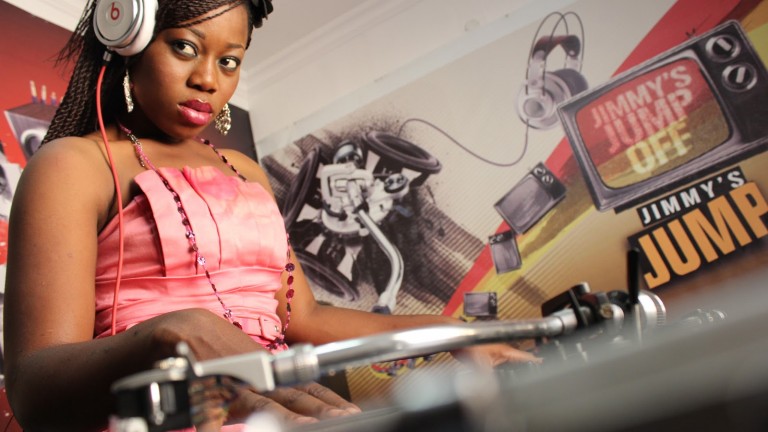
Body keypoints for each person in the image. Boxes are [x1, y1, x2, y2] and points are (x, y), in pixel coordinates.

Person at [2, 0, 539, 430]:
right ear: (127, 38)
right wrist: (174, 333)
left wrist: (450, 331)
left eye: (229, 61)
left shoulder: (244, 171)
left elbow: (306, 319)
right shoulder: (74, 165)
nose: (208, 79)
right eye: (185, 47)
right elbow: (32, 391)